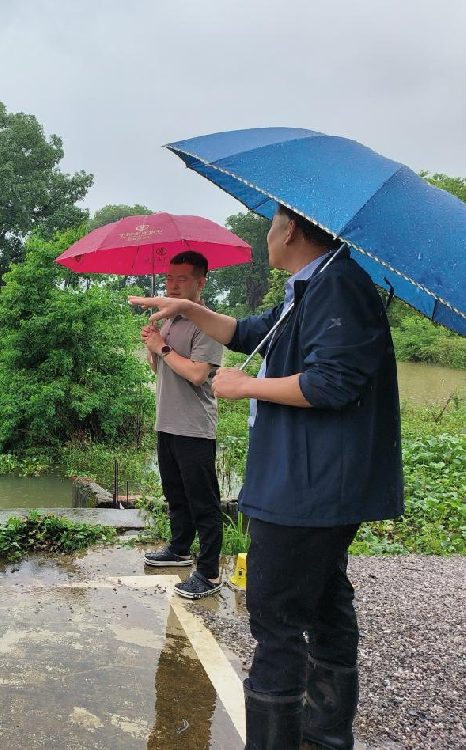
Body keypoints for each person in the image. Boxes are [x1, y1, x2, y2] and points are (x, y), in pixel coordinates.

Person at [129, 204, 403, 749]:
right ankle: (323, 737)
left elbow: (332, 383)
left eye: (272, 225)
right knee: (325, 601)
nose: (268, 235)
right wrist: (188, 307)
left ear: (292, 229)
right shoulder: (309, 285)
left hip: (309, 486)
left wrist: (245, 386)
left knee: (274, 614)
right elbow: (245, 330)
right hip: (306, 481)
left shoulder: (337, 285)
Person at [140, 250, 225, 600]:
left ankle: (209, 572)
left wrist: (161, 348)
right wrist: (153, 341)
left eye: (182, 279)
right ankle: (178, 550)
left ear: (201, 281)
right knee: (176, 495)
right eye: (169, 279)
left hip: (194, 426)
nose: (172, 286)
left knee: (203, 501)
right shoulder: (171, 319)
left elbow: (196, 373)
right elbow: (159, 369)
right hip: (167, 422)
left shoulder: (209, 322)